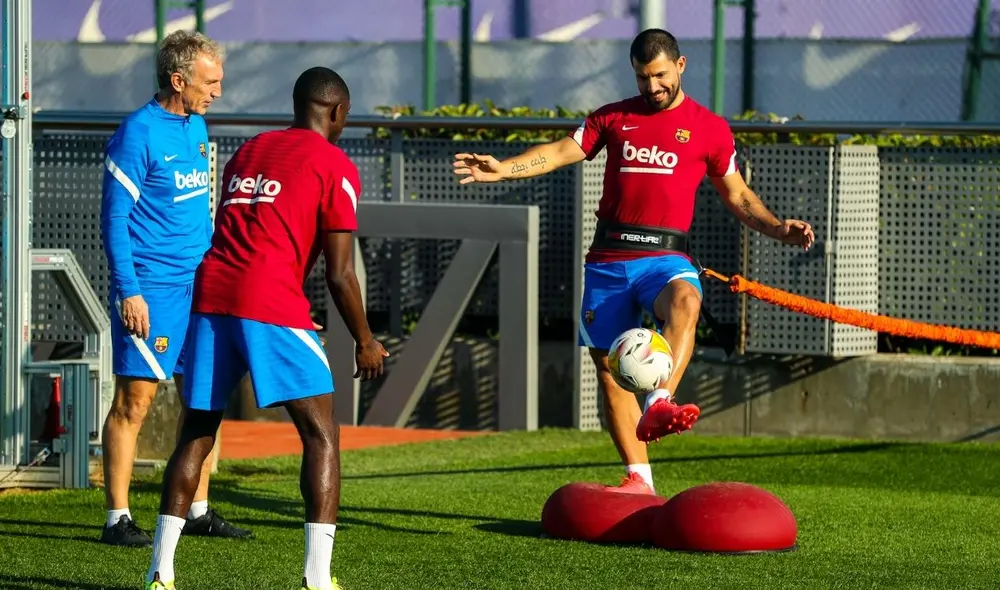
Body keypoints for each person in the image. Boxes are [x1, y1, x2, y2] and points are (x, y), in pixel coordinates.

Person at [453, 28, 814, 495]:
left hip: (665, 257)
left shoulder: (709, 128)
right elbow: (561, 152)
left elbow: (738, 194)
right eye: (643, 78)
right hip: (608, 259)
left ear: (680, 67)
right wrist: (505, 168)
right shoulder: (612, 117)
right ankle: (638, 479)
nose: (652, 86)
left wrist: (777, 228)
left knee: (686, 298)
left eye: (660, 75)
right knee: (609, 371)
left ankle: (660, 400)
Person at [143, 66, 387, 590]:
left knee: (196, 432)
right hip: (268, 300)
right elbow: (341, 273)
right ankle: (318, 578)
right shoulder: (336, 164)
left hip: (211, 295)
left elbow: (258, 230)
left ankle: (160, 572)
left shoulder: (248, 151)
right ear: (338, 111)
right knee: (321, 434)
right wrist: (365, 341)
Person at [99, 30, 251, 546]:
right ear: (178, 79)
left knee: (203, 397)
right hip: (152, 289)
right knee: (134, 403)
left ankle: (198, 508)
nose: (218, 93)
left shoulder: (198, 127)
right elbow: (115, 220)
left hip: (200, 285)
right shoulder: (137, 133)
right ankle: (116, 518)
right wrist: (129, 291)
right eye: (210, 83)